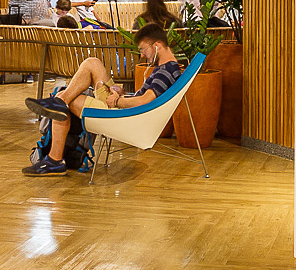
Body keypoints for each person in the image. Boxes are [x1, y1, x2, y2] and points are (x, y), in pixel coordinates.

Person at [21, 23, 182, 175]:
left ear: (157, 45)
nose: (142, 55)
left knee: (69, 101)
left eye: (143, 49)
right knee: (93, 63)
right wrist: (123, 94)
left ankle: (55, 158)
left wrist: (117, 101)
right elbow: (143, 99)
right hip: (127, 111)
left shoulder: (165, 71)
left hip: (126, 116)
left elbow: (144, 101)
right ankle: (59, 105)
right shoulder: (169, 68)